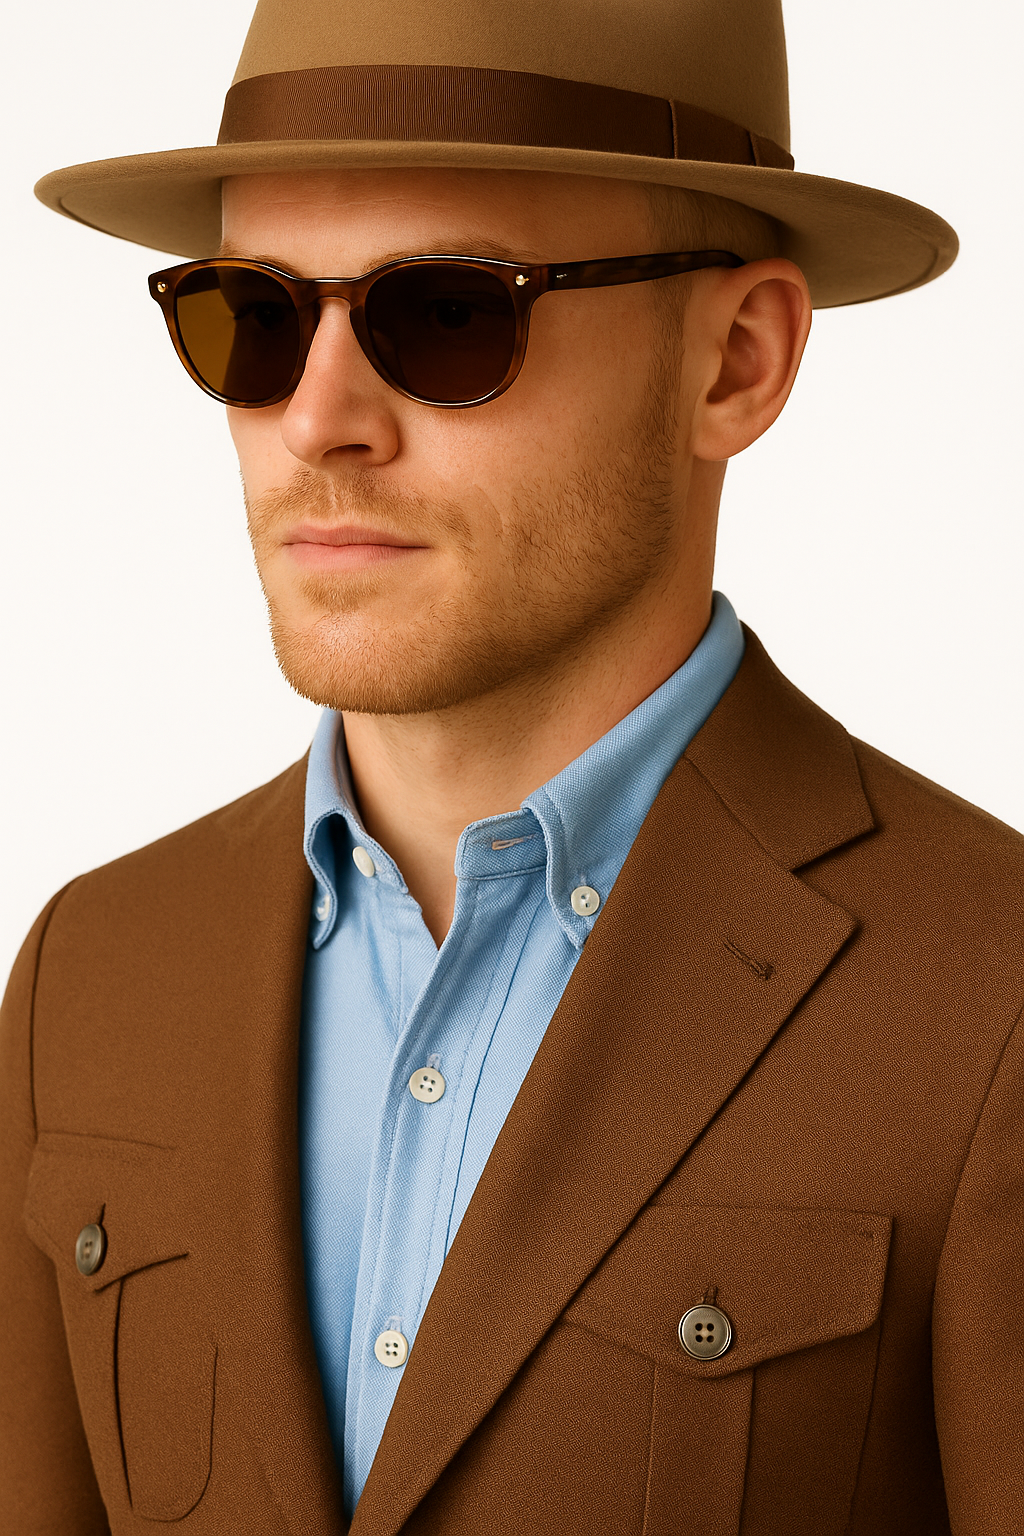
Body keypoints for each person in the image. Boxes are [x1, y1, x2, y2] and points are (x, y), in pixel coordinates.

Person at [2, 0, 1020, 1532]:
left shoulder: (991, 995)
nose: (318, 422)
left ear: (736, 363)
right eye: (250, 319)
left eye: (447, 315)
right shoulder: (90, 974)